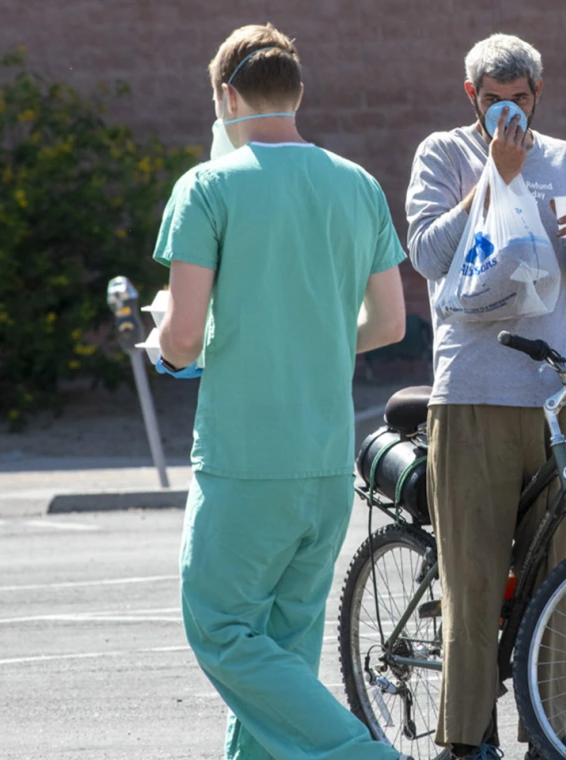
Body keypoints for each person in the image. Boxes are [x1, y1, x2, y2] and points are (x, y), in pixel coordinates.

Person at [153, 23, 411, 760]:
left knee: (221, 629)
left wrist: (167, 340)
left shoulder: (206, 187)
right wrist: (315, 335)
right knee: (283, 656)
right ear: (295, 93)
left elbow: (181, 337)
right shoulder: (356, 183)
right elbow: (389, 322)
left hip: (245, 457)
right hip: (328, 458)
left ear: (226, 96)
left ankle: (367, 754)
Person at [405, 33, 566, 760]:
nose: (507, 116)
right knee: (474, 580)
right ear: (472, 98)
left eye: (519, 102)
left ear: (538, 95)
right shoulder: (442, 154)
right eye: (493, 102)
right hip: (473, 394)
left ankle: (547, 731)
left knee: (555, 576)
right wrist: (489, 181)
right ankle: (466, 741)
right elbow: (427, 255)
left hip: (556, 397)